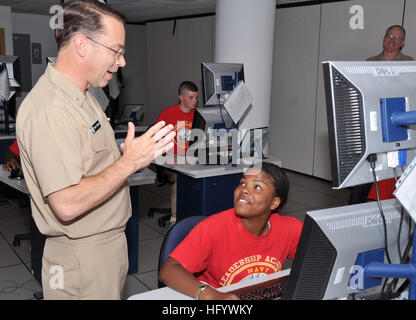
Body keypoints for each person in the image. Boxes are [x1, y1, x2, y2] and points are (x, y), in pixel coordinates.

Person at [16, 0, 175, 300]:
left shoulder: (85, 95)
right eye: (116, 50)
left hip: (104, 247)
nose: (122, 62)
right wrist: (128, 163)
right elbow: (66, 203)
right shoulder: (50, 109)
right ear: (81, 45)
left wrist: (120, 155)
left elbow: (87, 163)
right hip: (82, 257)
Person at [159, 162, 303, 300]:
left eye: (257, 187)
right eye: (243, 183)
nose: (244, 190)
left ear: (274, 203)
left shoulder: (289, 228)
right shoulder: (213, 228)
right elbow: (169, 270)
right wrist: (208, 294)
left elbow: (319, 256)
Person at [349, 25, 414, 205]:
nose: (392, 40)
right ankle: (353, 208)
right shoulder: (369, 62)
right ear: (384, 38)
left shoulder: (409, 63)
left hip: (395, 127)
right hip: (372, 125)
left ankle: (389, 210)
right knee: (365, 170)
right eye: (389, 35)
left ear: (402, 43)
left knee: (390, 172)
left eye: (397, 37)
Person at [155, 81, 199, 227]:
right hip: (170, 158)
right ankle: (175, 218)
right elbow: (156, 139)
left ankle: (195, 215)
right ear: (181, 97)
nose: (195, 101)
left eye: (196, 98)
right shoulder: (167, 113)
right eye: (191, 98)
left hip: (191, 157)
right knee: (180, 178)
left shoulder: (198, 115)